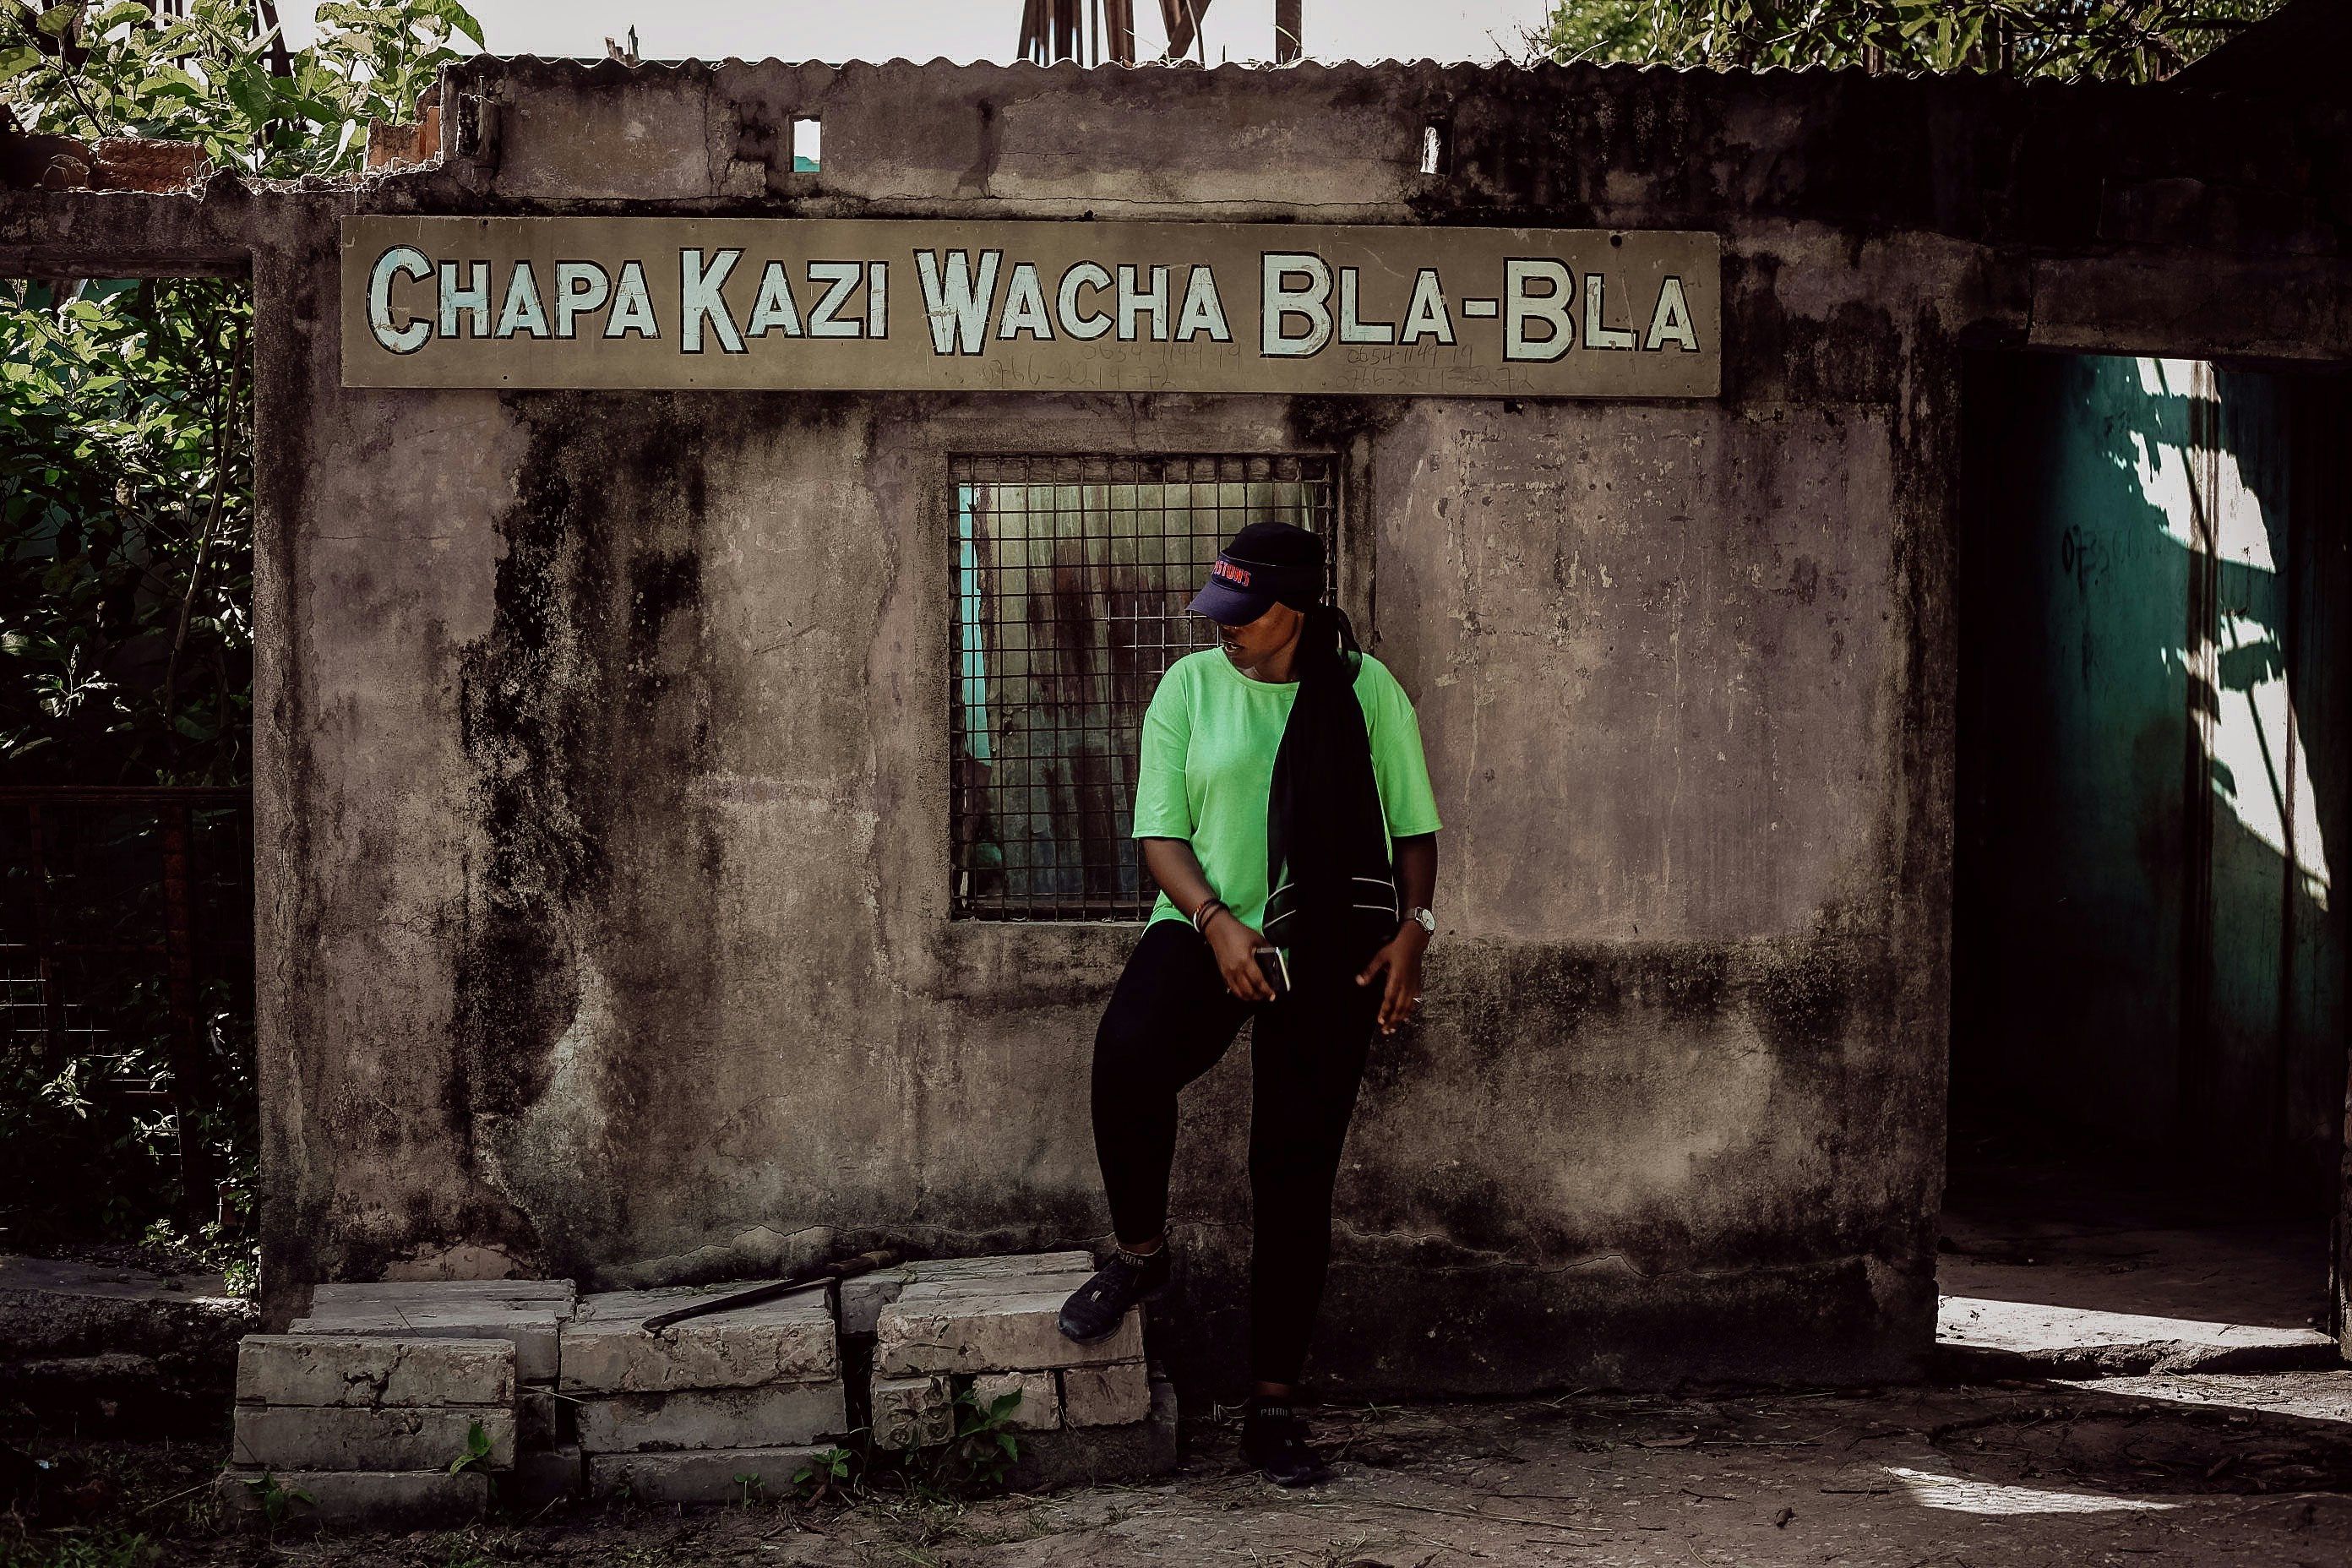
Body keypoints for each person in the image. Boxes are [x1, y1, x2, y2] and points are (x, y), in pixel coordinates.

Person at [1056, 520, 1442, 1487]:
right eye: (1217, 610)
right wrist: (1218, 921)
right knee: (1129, 1051)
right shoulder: (1189, 686)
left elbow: (1415, 828)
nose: (1224, 628)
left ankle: (1273, 1404)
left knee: (1294, 1170)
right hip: (1202, 923)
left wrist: (1414, 931)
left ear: (1296, 609)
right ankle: (1142, 1253)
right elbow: (1160, 835)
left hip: (1331, 949)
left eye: (1244, 613)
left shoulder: (1366, 693)